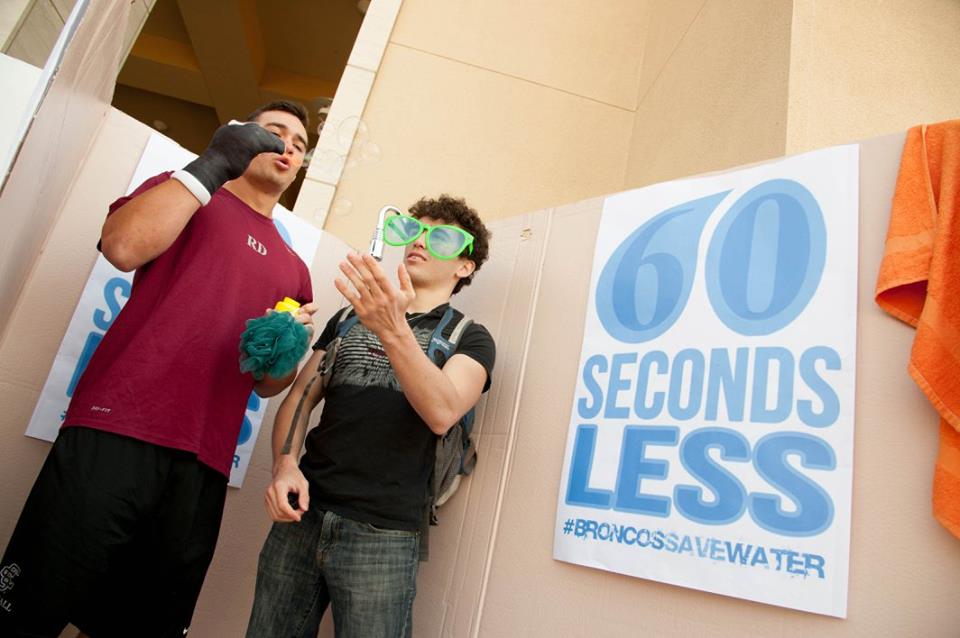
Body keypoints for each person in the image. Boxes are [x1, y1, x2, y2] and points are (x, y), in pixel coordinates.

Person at [0, 100, 318, 638]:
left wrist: (287, 349)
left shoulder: (296, 268)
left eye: (300, 143)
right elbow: (122, 246)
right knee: (30, 608)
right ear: (242, 137)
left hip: (204, 463)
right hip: (118, 427)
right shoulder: (187, 193)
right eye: (274, 131)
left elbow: (266, 387)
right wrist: (213, 163)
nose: (288, 145)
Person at [246, 195, 495, 637]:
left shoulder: (470, 337)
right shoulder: (347, 318)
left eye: (440, 237)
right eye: (414, 230)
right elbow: (301, 396)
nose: (420, 242)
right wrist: (284, 464)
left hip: (385, 537)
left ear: (465, 266)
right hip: (302, 516)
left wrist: (391, 326)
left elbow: (442, 412)